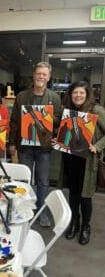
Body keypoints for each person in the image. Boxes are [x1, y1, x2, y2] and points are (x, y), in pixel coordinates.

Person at [9, 62, 61, 227]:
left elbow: (59, 122)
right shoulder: (22, 96)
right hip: (25, 146)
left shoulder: (54, 97)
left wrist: (47, 117)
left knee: (43, 181)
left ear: (49, 77)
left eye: (44, 74)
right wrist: (11, 143)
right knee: (24, 179)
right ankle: (24, 210)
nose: (41, 77)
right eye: (39, 73)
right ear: (34, 75)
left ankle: (41, 211)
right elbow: (14, 121)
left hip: (44, 147)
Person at [62, 81, 105, 245]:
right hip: (71, 159)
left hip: (87, 162)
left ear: (87, 94)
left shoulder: (97, 110)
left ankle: (86, 227)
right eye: (75, 93)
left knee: (85, 197)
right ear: (71, 95)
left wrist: (98, 146)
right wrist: (59, 140)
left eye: (81, 93)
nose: (77, 96)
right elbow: (67, 134)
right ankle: (75, 222)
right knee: (73, 194)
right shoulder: (69, 111)